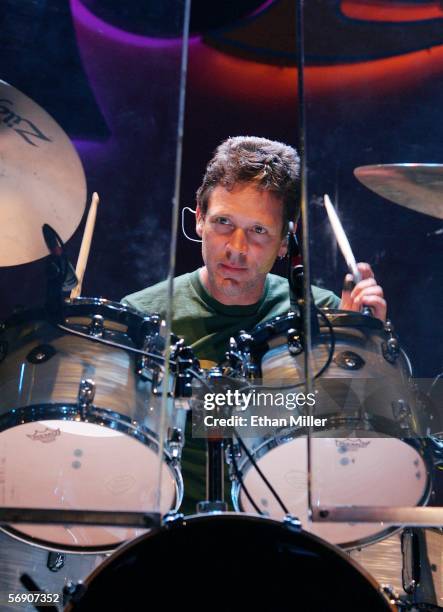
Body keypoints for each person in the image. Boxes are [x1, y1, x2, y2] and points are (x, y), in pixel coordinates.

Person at [122, 136, 387, 512]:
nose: (236, 248)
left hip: (290, 522)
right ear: (199, 218)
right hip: (171, 523)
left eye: (259, 231)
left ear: (285, 242)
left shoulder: (323, 313)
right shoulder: (140, 318)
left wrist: (359, 348)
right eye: (224, 222)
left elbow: (357, 450)